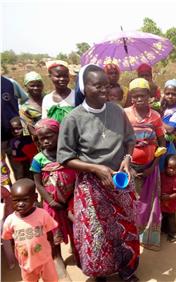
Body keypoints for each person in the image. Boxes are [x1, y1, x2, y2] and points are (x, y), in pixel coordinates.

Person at [57, 64, 139, 281]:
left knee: (126, 228)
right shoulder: (73, 118)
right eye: (97, 86)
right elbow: (64, 157)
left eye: (106, 85)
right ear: (84, 88)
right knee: (97, 234)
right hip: (92, 185)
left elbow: (130, 140)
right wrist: (95, 168)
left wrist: (127, 159)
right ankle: (100, 272)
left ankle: (126, 269)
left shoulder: (116, 110)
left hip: (120, 179)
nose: (104, 90)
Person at [30, 118, 77, 276]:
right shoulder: (38, 160)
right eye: (41, 138)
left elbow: (77, 176)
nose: (45, 141)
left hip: (72, 200)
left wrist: (73, 198)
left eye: (49, 136)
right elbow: (38, 184)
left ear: (59, 135)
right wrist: (50, 201)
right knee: (53, 231)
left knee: (75, 228)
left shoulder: (69, 155)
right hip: (52, 204)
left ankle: (77, 252)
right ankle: (57, 257)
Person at [124, 77, 166, 251]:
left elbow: (162, 144)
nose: (139, 99)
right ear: (131, 97)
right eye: (135, 96)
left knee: (149, 202)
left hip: (150, 167)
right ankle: (129, 236)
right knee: (130, 202)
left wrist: (153, 165)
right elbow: (120, 142)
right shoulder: (124, 114)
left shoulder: (155, 116)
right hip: (129, 167)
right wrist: (128, 168)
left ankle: (147, 237)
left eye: (142, 95)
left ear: (149, 95)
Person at [2, 179, 58, 282]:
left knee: (51, 280)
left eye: (25, 200)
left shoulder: (42, 214)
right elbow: (9, 239)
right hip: (26, 263)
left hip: (45, 259)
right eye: (16, 200)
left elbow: (49, 233)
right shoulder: (10, 221)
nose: (20, 204)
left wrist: (53, 248)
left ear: (35, 197)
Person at [160, 154, 176, 242]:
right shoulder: (162, 175)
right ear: (165, 166)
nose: (171, 171)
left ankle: (172, 234)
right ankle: (164, 229)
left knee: (172, 220)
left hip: (171, 205)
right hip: (163, 204)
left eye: (174, 169)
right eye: (169, 168)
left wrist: (169, 197)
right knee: (163, 217)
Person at [20, 71, 44, 137]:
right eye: (32, 86)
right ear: (26, 86)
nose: (36, 88)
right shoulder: (24, 107)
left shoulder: (49, 99)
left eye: (38, 85)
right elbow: (27, 130)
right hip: (38, 141)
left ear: (42, 85)